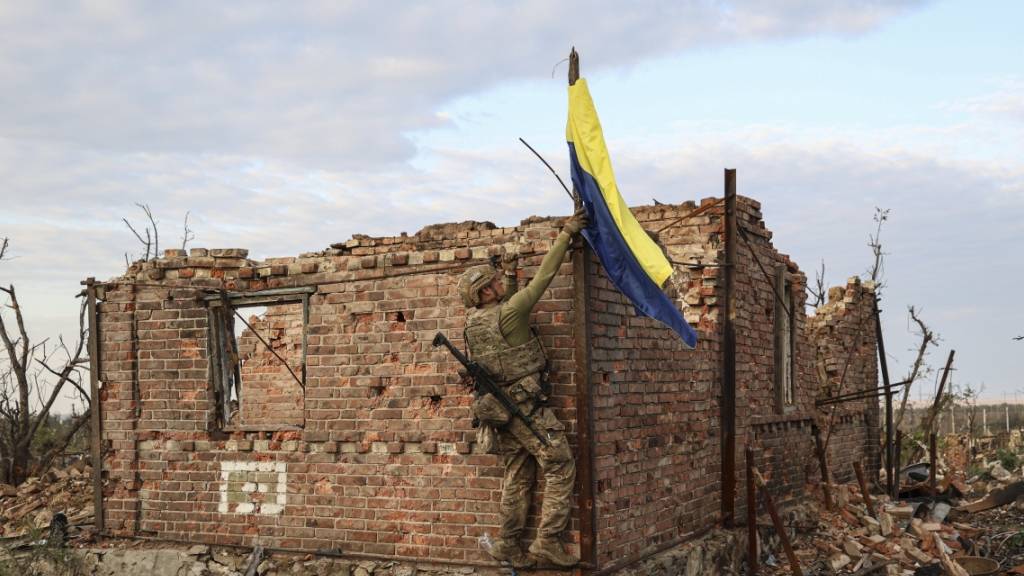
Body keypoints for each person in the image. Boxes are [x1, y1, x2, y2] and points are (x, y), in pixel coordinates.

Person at [457, 208, 588, 568]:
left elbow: (510, 311)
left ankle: (509, 545)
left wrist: (511, 270)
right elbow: (544, 278)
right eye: (496, 281)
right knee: (560, 464)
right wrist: (566, 233)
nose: (502, 283)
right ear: (485, 291)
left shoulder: (474, 323)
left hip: (500, 411)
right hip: (527, 408)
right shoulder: (511, 313)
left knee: (517, 477)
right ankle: (547, 541)